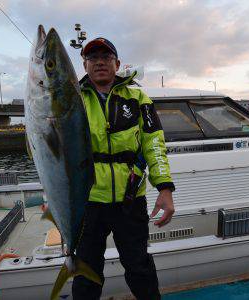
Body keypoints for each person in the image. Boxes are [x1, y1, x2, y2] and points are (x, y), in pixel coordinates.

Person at [72, 37, 175, 300]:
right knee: (85, 273)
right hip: (88, 201)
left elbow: (154, 144)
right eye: (92, 58)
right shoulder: (73, 100)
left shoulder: (139, 98)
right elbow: (59, 152)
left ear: (117, 64)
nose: (99, 63)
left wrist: (164, 188)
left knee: (139, 267)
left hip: (130, 199)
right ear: (84, 65)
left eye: (105, 58)